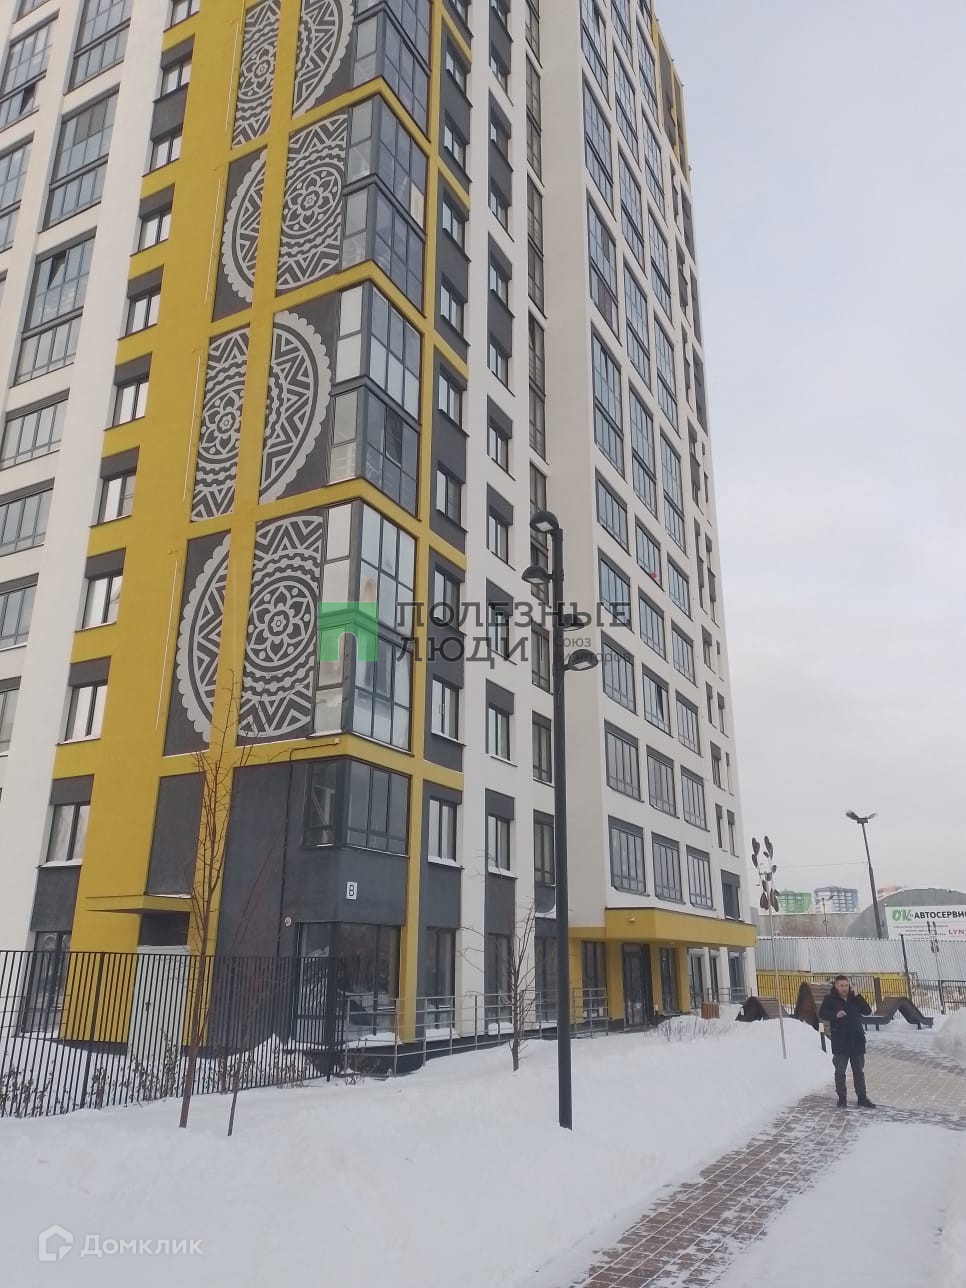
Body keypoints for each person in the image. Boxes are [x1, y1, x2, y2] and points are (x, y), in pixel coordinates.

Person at [819, 975, 875, 1108]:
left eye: (846, 985)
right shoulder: (830, 999)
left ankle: (862, 1098)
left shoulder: (854, 999)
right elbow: (822, 1014)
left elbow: (867, 1011)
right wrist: (835, 1015)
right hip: (840, 1041)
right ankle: (842, 1098)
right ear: (836, 986)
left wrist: (858, 995)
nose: (844, 988)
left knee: (859, 1071)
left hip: (857, 1040)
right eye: (841, 985)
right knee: (840, 1072)